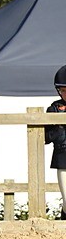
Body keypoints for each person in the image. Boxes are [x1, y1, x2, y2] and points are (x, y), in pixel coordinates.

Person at [45, 65, 66, 220]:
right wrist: (57, 130)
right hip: (63, 158)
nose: (65, 94)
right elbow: (45, 137)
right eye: (62, 90)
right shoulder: (55, 108)